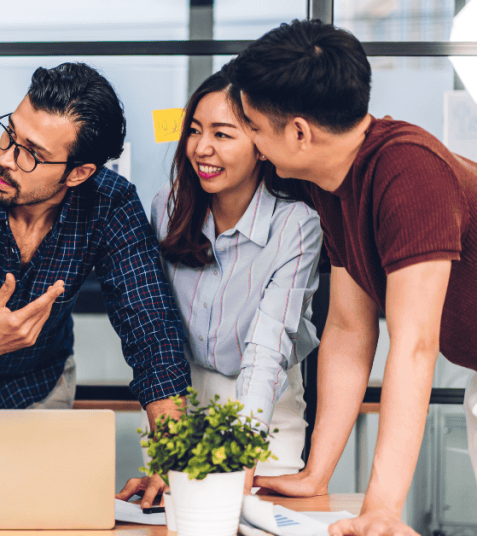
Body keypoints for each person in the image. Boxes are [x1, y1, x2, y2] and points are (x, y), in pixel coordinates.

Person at [227, 19, 477, 536]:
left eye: (252, 125)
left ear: (299, 132)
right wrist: (316, 473)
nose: (250, 141)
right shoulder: (333, 182)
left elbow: (413, 345)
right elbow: (348, 330)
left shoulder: (409, 173)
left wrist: (383, 507)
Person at [0, 62, 190, 440]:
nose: (4, 158)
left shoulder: (110, 203)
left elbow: (152, 330)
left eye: (31, 153)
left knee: (41, 499)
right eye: (10, 135)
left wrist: (176, 458)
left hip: (42, 387)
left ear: (78, 173)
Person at [115, 69, 322, 505]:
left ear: (262, 146)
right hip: (182, 403)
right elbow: (153, 324)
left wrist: (242, 457)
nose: (201, 148)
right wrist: (169, 449)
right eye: (194, 130)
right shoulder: (168, 207)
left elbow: (268, 347)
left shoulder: (295, 224)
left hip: (264, 412)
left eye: (222, 134)